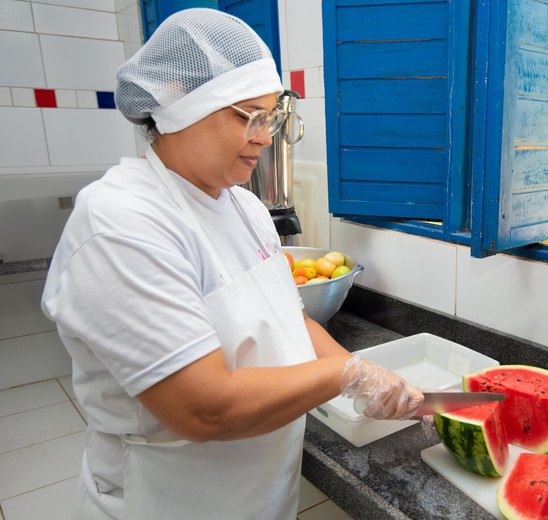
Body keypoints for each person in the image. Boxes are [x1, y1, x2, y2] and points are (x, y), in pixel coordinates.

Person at [41, 8, 423, 519]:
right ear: (180, 101)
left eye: (273, 118)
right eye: (251, 116)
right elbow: (205, 408)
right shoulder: (121, 221)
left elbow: (292, 319)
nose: (266, 138)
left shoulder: (244, 207)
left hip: (260, 495)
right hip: (167, 501)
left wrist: (371, 378)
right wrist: (343, 376)